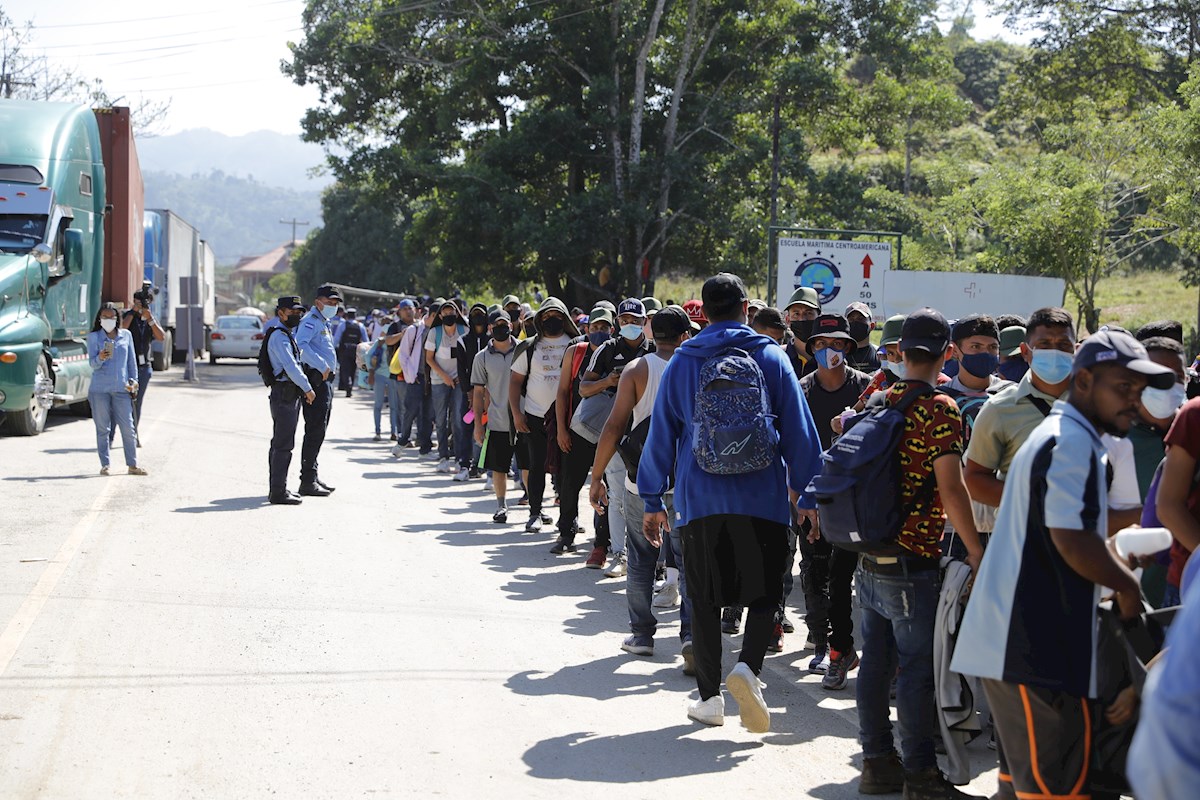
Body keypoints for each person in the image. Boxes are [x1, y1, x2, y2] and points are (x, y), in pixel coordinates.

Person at [953, 329, 1172, 800]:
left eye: (1139, 392)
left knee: (1021, 789)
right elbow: (1070, 540)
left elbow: (1064, 537)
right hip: (1028, 647)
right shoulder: (1070, 442)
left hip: (1023, 643)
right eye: (1124, 389)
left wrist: (1114, 562)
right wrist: (1127, 589)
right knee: (1055, 792)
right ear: (1086, 380)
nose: (1134, 403)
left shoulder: (1063, 434)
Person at [638, 273, 823, 733]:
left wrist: (650, 498)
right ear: (746, 309)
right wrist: (810, 493)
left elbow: (662, 433)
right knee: (765, 593)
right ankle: (749, 670)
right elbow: (800, 433)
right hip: (764, 499)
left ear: (705, 310)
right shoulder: (772, 357)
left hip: (700, 500)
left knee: (703, 598)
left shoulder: (683, 361)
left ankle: (708, 698)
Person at [848, 308, 984, 800]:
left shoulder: (880, 399)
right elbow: (952, 488)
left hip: (870, 554)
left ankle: (877, 764)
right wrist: (976, 550)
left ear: (900, 353)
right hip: (914, 561)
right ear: (948, 353)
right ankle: (922, 776)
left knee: (876, 666)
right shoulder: (940, 408)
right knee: (917, 673)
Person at [590, 305, 692, 664]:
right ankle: (691, 636)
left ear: (651, 334)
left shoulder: (637, 369)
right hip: (686, 481)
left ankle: (642, 634)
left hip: (641, 479)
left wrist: (597, 475)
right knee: (688, 559)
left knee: (640, 558)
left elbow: (615, 426)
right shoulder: (694, 367)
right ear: (684, 336)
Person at [797, 314, 872, 689]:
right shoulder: (801, 390)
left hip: (861, 502)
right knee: (819, 573)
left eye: (839, 344)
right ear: (812, 349)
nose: (831, 352)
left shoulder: (868, 390)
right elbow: (792, 450)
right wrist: (801, 501)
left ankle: (874, 657)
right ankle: (831, 648)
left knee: (864, 580)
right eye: (823, 345)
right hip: (815, 500)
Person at [963, 308, 1076, 511]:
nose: (1054, 352)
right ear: (1025, 352)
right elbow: (974, 478)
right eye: (1044, 345)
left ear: (1076, 350)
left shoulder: (1096, 406)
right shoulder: (999, 409)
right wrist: (1034, 501)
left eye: (1063, 345)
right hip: (1023, 538)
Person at [577, 297, 653, 576]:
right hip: (615, 432)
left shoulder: (655, 350)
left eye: (635, 321)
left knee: (650, 495)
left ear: (645, 322)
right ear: (617, 323)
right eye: (624, 320)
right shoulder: (608, 350)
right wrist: (608, 381)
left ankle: (651, 559)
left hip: (648, 433)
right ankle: (620, 554)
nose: (630, 325)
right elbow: (584, 388)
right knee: (618, 495)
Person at [509, 298, 580, 533]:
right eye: (547, 317)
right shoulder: (529, 347)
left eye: (557, 316)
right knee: (536, 465)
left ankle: (569, 518)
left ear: (565, 319)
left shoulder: (575, 344)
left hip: (568, 418)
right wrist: (517, 414)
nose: (552, 321)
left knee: (568, 470)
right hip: (535, 416)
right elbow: (515, 382)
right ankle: (535, 512)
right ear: (540, 320)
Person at [551, 307, 614, 555]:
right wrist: (561, 430)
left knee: (608, 486)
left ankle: (604, 538)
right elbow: (563, 392)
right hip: (577, 430)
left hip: (609, 432)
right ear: (586, 329)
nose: (599, 332)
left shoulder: (617, 353)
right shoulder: (575, 352)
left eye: (604, 328)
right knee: (570, 484)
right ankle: (566, 532)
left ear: (612, 329)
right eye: (595, 328)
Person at [264, 297, 315, 504]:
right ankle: (278, 491)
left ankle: (278, 488)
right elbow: (291, 366)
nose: (297, 315)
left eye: (299, 312)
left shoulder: (286, 334)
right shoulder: (280, 336)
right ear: (281, 313)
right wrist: (308, 388)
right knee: (283, 445)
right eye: (292, 311)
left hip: (287, 393)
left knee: (281, 444)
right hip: (284, 393)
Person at [294, 284, 342, 497]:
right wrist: (323, 366)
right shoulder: (310, 322)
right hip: (316, 381)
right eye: (330, 302)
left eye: (335, 303)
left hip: (325, 382)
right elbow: (300, 346)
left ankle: (311, 474)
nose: (333, 306)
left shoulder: (324, 321)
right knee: (314, 429)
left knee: (319, 429)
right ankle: (307, 480)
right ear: (318, 302)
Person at [86, 304, 146, 476]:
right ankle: (105, 464)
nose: (108, 320)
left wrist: (134, 382)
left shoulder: (125, 336)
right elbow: (91, 364)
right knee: (103, 428)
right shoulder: (94, 337)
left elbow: (131, 363)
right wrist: (100, 357)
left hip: (121, 389)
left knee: (128, 427)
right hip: (100, 390)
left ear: (117, 319)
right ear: (99, 319)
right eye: (104, 317)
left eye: (111, 317)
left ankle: (132, 465)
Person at [472, 310, 519, 523]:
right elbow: (479, 392)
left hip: (524, 419)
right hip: (498, 420)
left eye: (504, 323)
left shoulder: (524, 350)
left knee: (528, 467)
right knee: (499, 468)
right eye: (496, 324)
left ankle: (534, 509)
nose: (501, 327)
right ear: (490, 328)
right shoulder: (481, 357)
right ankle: (501, 506)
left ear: (511, 325)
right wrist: (478, 425)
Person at [426, 300, 471, 479]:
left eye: (452, 311)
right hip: (439, 381)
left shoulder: (464, 330)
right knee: (440, 419)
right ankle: (443, 456)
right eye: (445, 312)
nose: (448, 315)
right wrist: (444, 375)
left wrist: (463, 376)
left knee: (459, 421)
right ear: (440, 315)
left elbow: (470, 356)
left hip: (459, 382)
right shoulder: (434, 333)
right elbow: (429, 358)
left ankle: (460, 459)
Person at [120, 285, 165, 443]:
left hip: (144, 367)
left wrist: (149, 318)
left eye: (142, 304)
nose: (140, 307)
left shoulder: (150, 319)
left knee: (137, 402)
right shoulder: (128, 316)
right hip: (127, 367)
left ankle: (133, 434)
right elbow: (121, 329)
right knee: (123, 401)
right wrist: (133, 312)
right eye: (137, 303)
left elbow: (161, 337)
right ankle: (121, 433)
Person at [395, 305, 436, 456]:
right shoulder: (415, 330)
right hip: (416, 378)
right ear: (431, 315)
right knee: (410, 411)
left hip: (432, 379)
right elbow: (403, 355)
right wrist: (410, 376)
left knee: (428, 414)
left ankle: (425, 447)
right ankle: (403, 440)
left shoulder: (439, 331)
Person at [458, 303, 492, 477]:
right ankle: (464, 463)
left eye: (481, 314)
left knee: (488, 427)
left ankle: (483, 465)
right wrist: (469, 392)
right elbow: (461, 369)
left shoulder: (492, 340)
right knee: (467, 426)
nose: (478, 318)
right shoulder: (463, 341)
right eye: (475, 315)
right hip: (470, 392)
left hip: (490, 393)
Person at [383, 300, 417, 443]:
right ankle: (403, 435)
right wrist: (402, 335)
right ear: (400, 312)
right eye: (405, 309)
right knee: (403, 405)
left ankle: (419, 436)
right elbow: (388, 341)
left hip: (417, 371)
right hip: (400, 372)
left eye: (411, 308)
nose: (408, 311)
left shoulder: (420, 326)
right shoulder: (395, 326)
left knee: (419, 405)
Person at [365, 331, 394, 442]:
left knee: (393, 406)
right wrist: (371, 371)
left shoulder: (397, 342)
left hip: (392, 376)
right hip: (380, 376)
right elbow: (368, 356)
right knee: (380, 405)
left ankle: (393, 432)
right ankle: (378, 432)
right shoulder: (379, 342)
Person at [333, 308, 368, 397]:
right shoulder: (361, 326)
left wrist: (332, 348)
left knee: (345, 370)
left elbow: (336, 339)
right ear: (355, 316)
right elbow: (366, 341)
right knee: (353, 370)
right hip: (356, 351)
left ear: (347, 316)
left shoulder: (343, 325)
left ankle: (348, 385)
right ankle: (350, 387)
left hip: (344, 351)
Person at [844, 301, 881, 372]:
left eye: (860, 319)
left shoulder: (880, 355)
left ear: (872, 326)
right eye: (851, 319)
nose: (855, 322)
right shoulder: (839, 356)